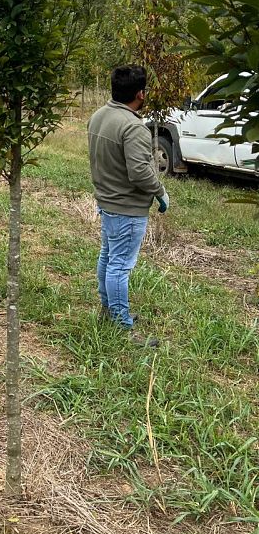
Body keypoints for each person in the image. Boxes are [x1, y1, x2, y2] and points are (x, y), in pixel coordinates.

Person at [87, 65, 169, 345]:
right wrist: (160, 191)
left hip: (107, 201)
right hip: (127, 208)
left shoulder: (99, 116)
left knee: (108, 258)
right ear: (140, 94)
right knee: (120, 266)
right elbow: (139, 172)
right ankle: (122, 325)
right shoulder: (133, 127)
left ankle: (107, 311)